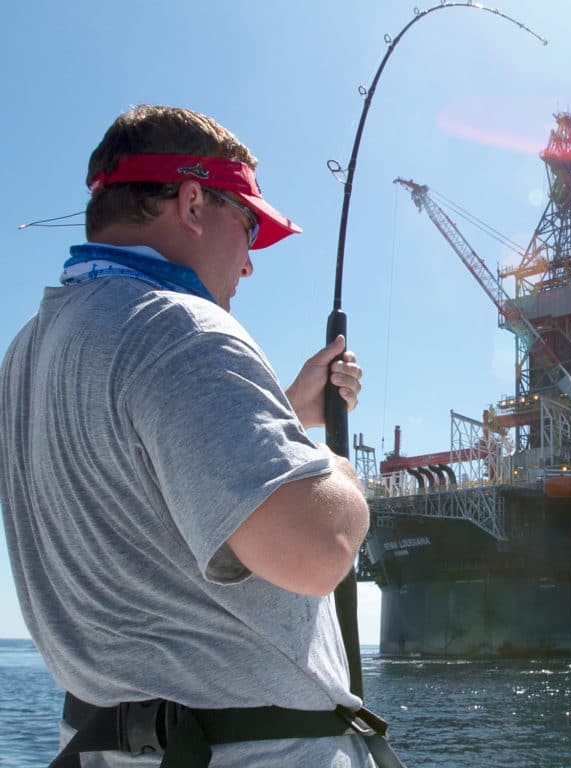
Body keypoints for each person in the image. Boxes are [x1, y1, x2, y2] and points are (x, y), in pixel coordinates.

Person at [0, 105, 388, 767]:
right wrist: (333, 467)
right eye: (248, 224)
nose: (249, 262)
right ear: (190, 202)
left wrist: (283, 418)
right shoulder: (181, 329)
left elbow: (137, 493)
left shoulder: (29, 352)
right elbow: (316, 549)